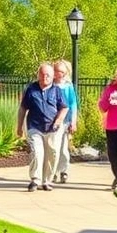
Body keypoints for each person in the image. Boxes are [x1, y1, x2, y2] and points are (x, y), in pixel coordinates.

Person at [17, 63, 68, 192]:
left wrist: (58, 121)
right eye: (42, 74)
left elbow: (64, 107)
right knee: (37, 152)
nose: (45, 77)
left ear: (52, 77)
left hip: (53, 128)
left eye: (48, 75)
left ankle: (47, 180)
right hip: (35, 127)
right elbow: (23, 108)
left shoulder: (57, 90)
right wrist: (19, 126)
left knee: (52, 154)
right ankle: (35, 180)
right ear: (38, 75)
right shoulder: (31, 89)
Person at [49, 59, 78, 184]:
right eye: (55, 70)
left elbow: (73, 104)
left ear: (64, 73)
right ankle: (53, 171)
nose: (56, 73)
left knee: (63, 147)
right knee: (53, 146)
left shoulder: (68, 86)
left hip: (65, 120)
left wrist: (73, 121)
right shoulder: (50, 84)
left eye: (59, 71)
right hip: (51, 119)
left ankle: (63, 170)